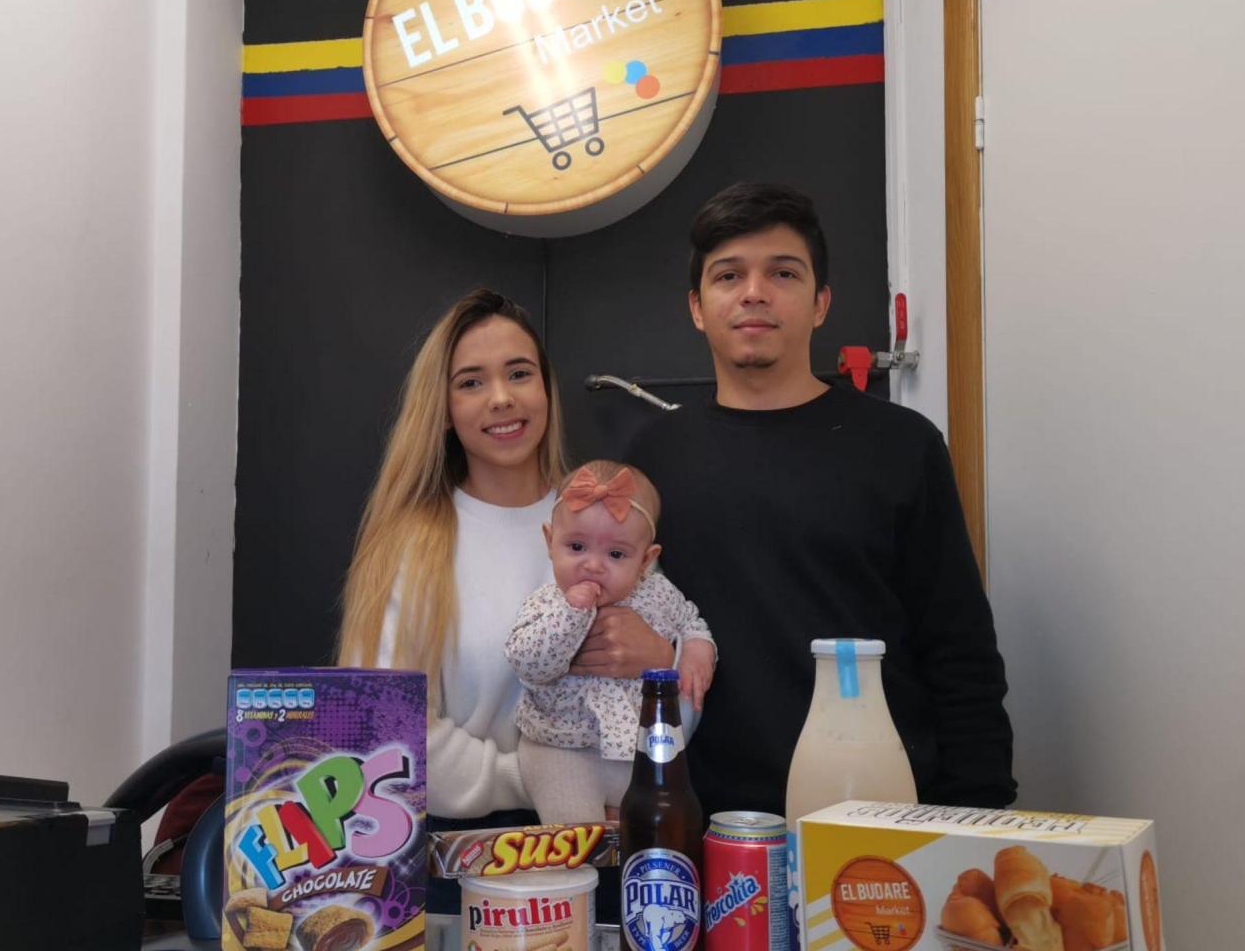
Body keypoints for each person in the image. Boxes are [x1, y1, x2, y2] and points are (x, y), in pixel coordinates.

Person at [624, 182, 1017, 818]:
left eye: (782, 272)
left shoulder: (901, 445)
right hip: (707, 825)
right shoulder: (651, 459)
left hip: (879, 813)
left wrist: (982, 815)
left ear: (821, 302)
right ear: (697, 307)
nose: (755, 292)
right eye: (729, 275)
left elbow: (960, 650)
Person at [337, 288, 569, 823]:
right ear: (442, 410)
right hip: (457, 863)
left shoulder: (606, 517)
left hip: (601, 852)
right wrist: (533, 780)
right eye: (471, 382)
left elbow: (670, 701)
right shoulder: (412, 545)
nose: (501, 398)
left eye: (519, 373)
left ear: (546, 389)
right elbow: (388, 731)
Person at [506, 459, 717, 824]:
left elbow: (691, 621)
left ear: (646, 561)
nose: (593, 565)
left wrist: (697, 648)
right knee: (576, 847)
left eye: (616, 554)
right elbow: (529, 664)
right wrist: (571, 615)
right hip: (559, 749)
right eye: (576, 547)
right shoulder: (548, 602)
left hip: (635, 750)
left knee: (649, 833)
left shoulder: (658, 594)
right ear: (549, 542)